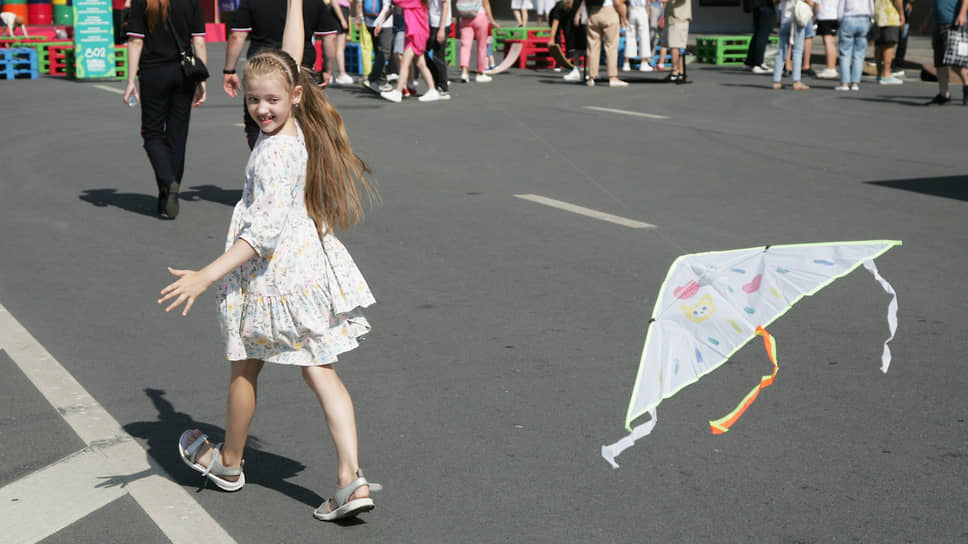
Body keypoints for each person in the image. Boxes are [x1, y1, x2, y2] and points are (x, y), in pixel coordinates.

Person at [164, 0, 379, 522]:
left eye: (272, 101)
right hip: (307, 268)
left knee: (245, 364)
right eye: (255, 100)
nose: (262, 109)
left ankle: (232, 462)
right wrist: (297, 5)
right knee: (319, 368)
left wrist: (206, 274)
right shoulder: (289, 117)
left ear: (296, 97)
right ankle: (350, 477)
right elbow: (289, 56)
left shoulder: (278, 151)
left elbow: (260, 235)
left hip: (274, 276)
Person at [123, 0, 207, 219]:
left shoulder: (143, 1)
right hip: (184, 73)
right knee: (177, 136)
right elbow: (199, 41)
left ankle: (168, 182)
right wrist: (202, 80)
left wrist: (131, 80)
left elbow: (135, 42)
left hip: (153, 73)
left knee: (151, 133)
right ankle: (167, 193)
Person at [223, 0, 338, 149]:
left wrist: (229, 69)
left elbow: (237, 36)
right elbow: (330, 37)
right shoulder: (315, 2)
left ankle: (262, 152)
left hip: (262, 71)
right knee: (305, 124)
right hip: (303, 68)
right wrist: (327, 69)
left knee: (258, 121)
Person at [377, 0, 441, 101]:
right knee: (421, 64)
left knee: (404, 63)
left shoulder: (414, 1)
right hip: (414, 33)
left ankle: (398, 92)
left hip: (415, 34)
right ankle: (432, 90)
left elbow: (397, 1)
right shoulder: (419, 2)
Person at [578, 0, 629, 86]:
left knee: (592, 46)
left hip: (593, 12)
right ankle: (612, 77)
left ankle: (591, 77)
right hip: (609, 11)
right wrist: (624, 17)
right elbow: (617, 2)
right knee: (611, 45)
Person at [926, 0, 968, 104]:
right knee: (939, 61)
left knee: (955, 61)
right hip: (938, 23)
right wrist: (927, 22)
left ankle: (967, 84)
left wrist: (962, 14)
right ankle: (943, 93)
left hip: (953, 22)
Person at [455, 0, 499, 83]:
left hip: (465, 18)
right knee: (482, 46)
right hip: (480, 16)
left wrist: (457, 22)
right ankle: (480, 73)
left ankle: (464, 72)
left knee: (465, 46)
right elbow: (486, 4)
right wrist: (492, 20)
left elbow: (457, 6)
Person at [772, 0, 812, 90]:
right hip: (797, 20)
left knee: (781, 50)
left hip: (784, 20)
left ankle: (776, 81)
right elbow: (810, 3)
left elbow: (775, 2)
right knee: (797, 51)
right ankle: (796, 81)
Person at [357, 0, 395, 92]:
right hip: (384, 24)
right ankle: (372, 78)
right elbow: (389, 7)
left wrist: (363, 20)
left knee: (378, 51)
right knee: (385, 52)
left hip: (369, 21)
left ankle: (381, 81)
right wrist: (381, 23)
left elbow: (359, 4)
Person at [835, 0, 873, 91]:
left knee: (845, 53)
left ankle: (844, 83)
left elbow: (840, 7)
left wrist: (840, 20)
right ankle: (855, 83)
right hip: (864, 19)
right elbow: (871, 8)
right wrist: (871, 21)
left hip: (848, 18)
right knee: (859, 54)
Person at [548, 0, 587, 80]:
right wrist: (551, 38)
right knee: (560, 38)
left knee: (573, 37)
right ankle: (568, 67)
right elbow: (555, 22)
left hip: (574, 19)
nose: (567, 7)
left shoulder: (578, 4)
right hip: (558, 19)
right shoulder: (559, 7)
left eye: (569, 6)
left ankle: (590, 72)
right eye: (566, 7)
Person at [871, 0, 904, 84]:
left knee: (879, 44)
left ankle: (879, 73)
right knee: (889, 44)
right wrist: (901, 13)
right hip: (890, 14)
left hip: (878, 14)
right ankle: (886, 73)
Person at [424, 0, 453, 98]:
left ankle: (443, 88)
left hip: (440, 25)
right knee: (422, 54)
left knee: (438, 57)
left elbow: (445, 6)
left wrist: (442, 29)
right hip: (431, 23)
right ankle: (437, 82)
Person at [743, 0, 776, 73]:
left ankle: (750, 62)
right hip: (765, 5)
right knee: (763, 34)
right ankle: (758, 63)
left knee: (758, 33)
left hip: (756, 5)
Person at [660, 0, 689, 83]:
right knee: (674, 46)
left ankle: (675, 72)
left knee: (675, 45)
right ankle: (680, 72)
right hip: (671, 17)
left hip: (679, 18)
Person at [623, 0, 653, 71]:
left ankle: (626, 63)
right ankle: (644, 62)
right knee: (644, 36)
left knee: (630, 36)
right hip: (642, 10)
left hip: (632, 10)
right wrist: (648, 10)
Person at [815, 0, 840, 78]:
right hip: (835, 15)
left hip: (824, 16)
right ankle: (832, 67)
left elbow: (817, 4)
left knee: (827, 42)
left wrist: (815, 16)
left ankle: (830, 68)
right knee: (831, 42)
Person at [333, 0, 356, 84]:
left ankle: (334, 73)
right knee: (339, 46)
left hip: (343, 11)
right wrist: (342, 19)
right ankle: (341, 73)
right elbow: (334, 2)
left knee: (339, 46)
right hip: (340, 11)